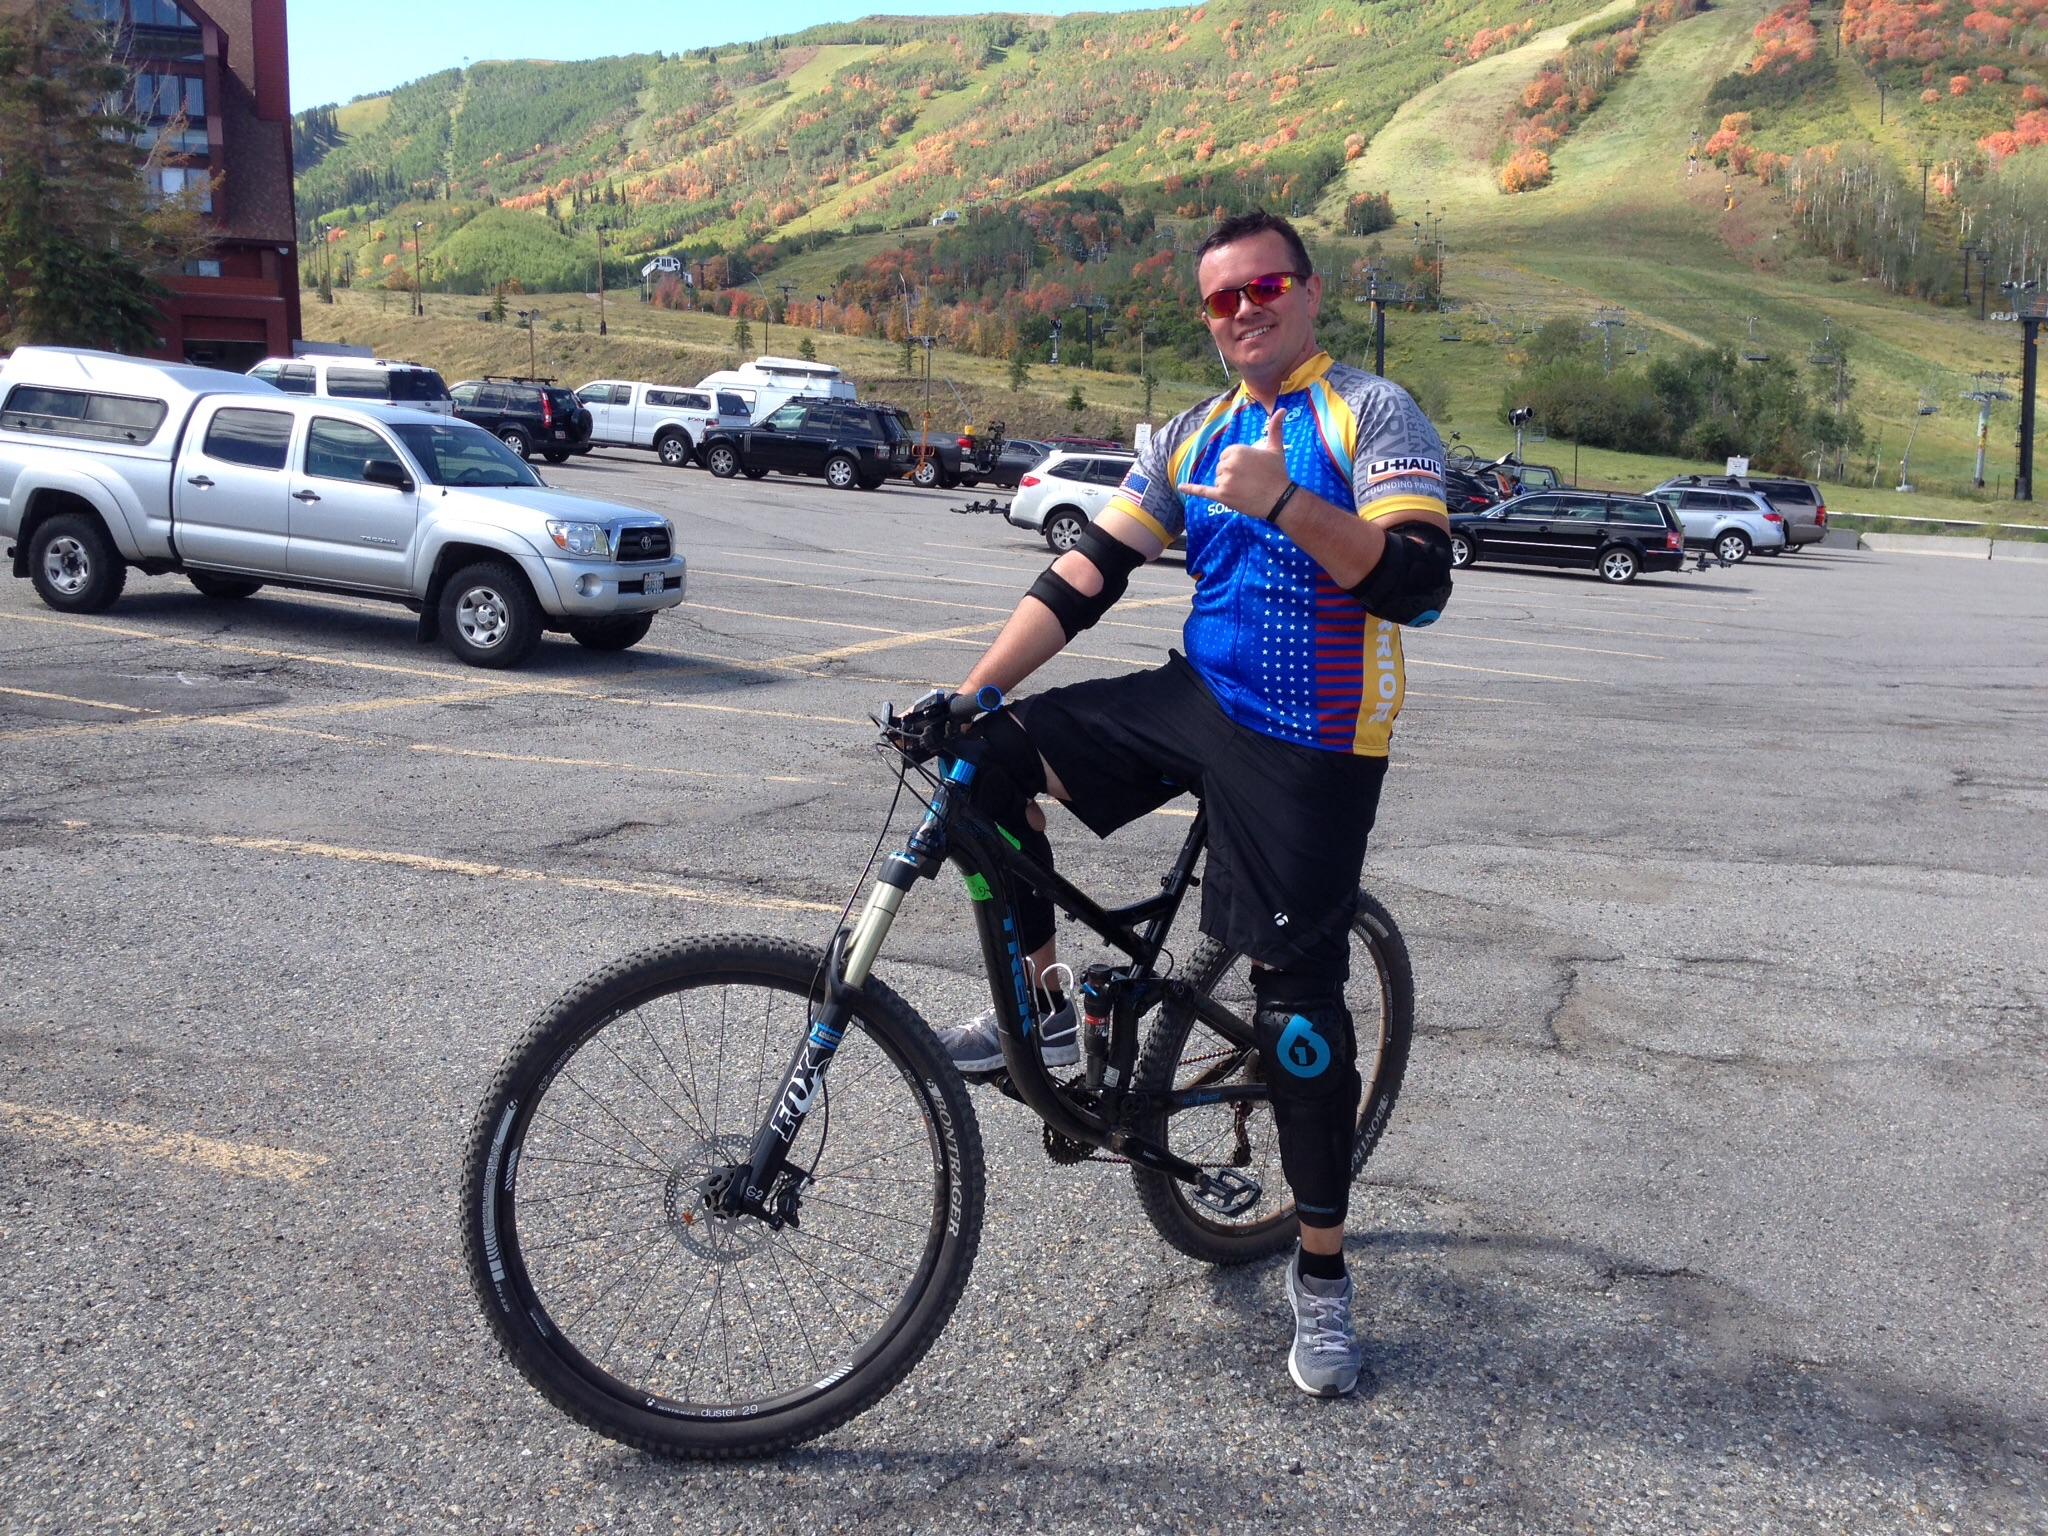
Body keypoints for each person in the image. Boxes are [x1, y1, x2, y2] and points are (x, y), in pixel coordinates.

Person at [927, 209, 1452, 1397]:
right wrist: (969, 693)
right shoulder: (1190, 434)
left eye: (1263, 287)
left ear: (1307, 294)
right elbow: (1085, 573)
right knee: (986, 765)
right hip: (1199, 697)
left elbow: (1417, 586)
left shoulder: (1367, 413)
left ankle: (1320, 1277)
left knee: (1299, 1020)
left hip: (1314, 735)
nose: (1242, 310)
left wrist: (1285, 506)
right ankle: (1050, 1010)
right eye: (1220, 298)